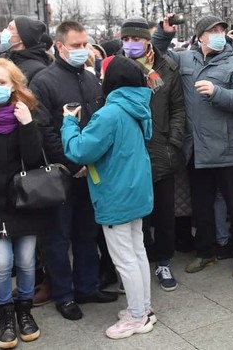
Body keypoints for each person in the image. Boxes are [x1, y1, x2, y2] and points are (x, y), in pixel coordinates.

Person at [153, 15, 233, 279]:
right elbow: (156, 55)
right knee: (201, 206)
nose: (219, 33)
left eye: (222, 29)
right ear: (200, 36)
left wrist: (217, 92)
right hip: (196, 148)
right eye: (213, 30)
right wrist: (163, 34)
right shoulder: (186, 59)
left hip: (227, 147)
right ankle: (205, 253)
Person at [62, 55, 155, 340]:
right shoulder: (138, 105)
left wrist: (68, 122)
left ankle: (137, 317)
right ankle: (144, 309)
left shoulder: (110, 113)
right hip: (136, 190)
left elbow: (79, 151)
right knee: (137, 252)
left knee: (124, 258)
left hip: (115, 194)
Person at [29, 21, 116, 321]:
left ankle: (87, 287)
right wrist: (71, 163)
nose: (82, 50)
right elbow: (43, 129)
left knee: (87, 232)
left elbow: (99, 121)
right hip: (61, 173)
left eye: (85, 44)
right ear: (59, 47)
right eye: (76, 46)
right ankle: (64, 294)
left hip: (91, 172)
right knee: (58, 236)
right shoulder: (43, 82)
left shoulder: (92, 79)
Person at [0, 58, 47, 348]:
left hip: (22, 199)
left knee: (26, 261)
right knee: (2, 263)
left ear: (14, 86)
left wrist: (27, 124)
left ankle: (24, 310)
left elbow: (35, 159)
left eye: (1, 82)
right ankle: (5, 314)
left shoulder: (25, 113)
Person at [120, 17, 186, 292]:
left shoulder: (167, 67)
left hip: (161, 149)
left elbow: (178, 108)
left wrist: (173, 141)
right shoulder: (118, 68)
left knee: (164, 212)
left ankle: (163, 261)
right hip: (130, 151)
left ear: (147, 40)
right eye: (127, 39)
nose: (131, 44)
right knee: (137, 214)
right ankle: (139, 262)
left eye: (136, 39)